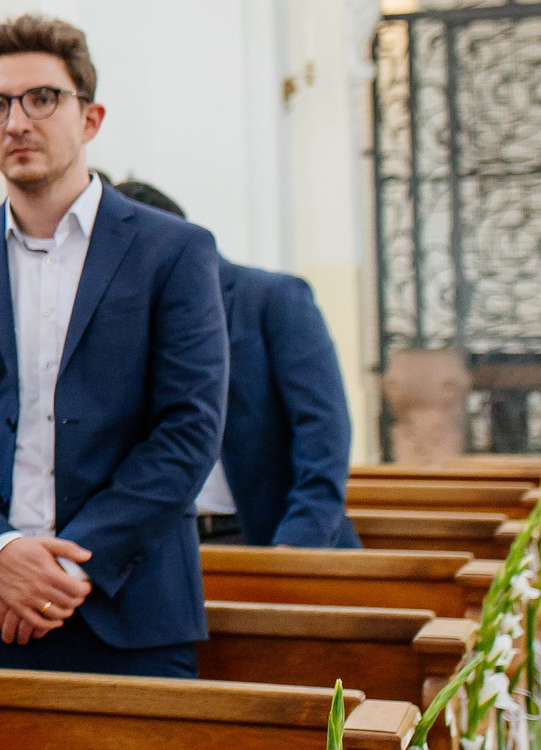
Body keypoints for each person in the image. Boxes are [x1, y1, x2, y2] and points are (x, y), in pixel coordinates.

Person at [0, 15, 226, 679]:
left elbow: (188, 429)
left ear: (91, 117)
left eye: (42, 98)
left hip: (128, 602)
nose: (17, 120)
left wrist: (67, 563)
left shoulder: (174, 251)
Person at [110, 180, 356, 549]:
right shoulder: (124, 319)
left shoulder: (272, 299)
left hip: (269, 537)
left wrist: (301, 540)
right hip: (170, 548)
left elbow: (323, 430)